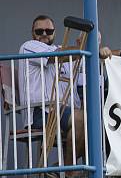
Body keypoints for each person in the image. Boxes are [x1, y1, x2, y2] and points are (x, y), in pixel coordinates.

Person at [18, 15, 85, 168]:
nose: (44, 34)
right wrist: (84, 47)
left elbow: (85, 71)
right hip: (40, 112)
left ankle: (59, 168)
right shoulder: (29, 46)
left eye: (48, 31)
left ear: (54, 33)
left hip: (61, 110)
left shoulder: (64, 52)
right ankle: (69, 171)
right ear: (32, 33)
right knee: (81, 119)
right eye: (39, 31)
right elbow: (57, 56)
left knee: (96, 126)